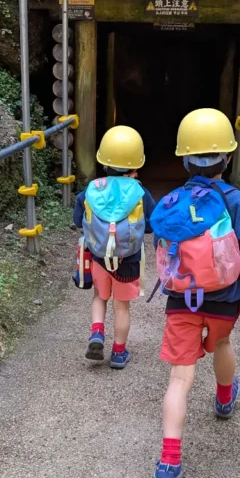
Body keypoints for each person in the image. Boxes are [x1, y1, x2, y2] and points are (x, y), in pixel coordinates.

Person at [149, 108, 240, 478]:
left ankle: (169, 461)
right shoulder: (239, 203)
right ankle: (224, 398)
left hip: (180, 301)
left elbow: (162, 247)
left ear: (184, 158)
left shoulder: (172, 200)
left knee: (180, 377)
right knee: (221, 343)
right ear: (227, 157)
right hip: (225, 300)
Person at [73, 126, 156, 369]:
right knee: (122, 306)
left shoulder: (92, 189)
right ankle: (119, 353)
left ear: (103, 162)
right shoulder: (140, 192)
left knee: (100, 296)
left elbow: (79, 221)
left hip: (98, 256)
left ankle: (97, 332)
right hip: (128, 260)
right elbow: (149, 225)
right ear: (136, 167)